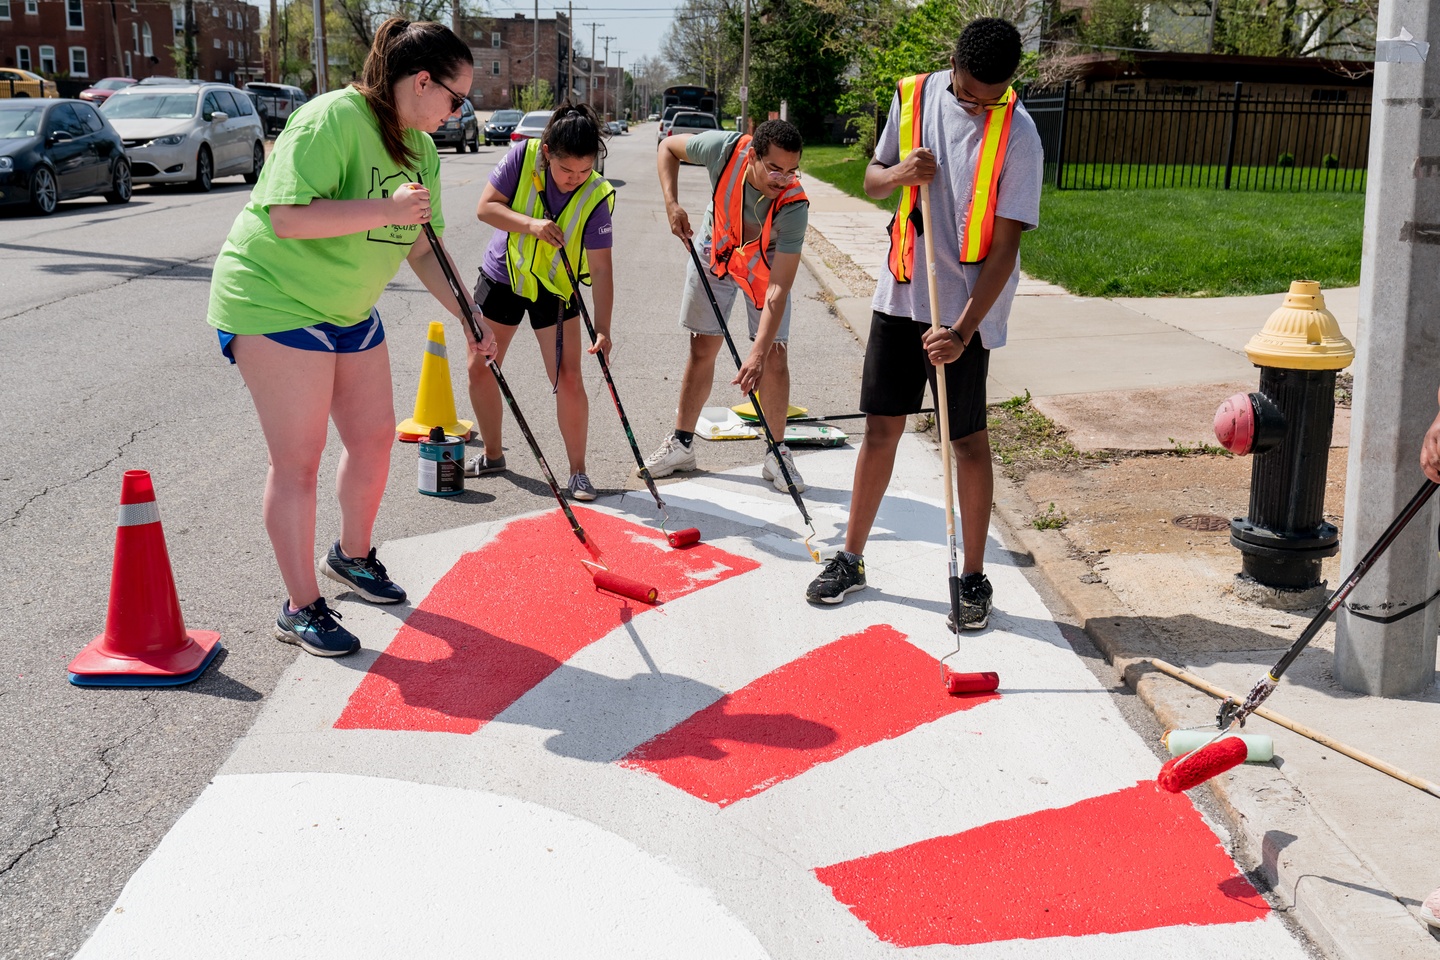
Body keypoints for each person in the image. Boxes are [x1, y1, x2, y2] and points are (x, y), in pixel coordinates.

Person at [207, 18, 495, 657]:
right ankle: (300, 606)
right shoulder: (331, 119)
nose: (457, 111)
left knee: (371, 439)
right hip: (274, 300)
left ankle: (353, 556)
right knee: (299, 461)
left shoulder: (420, 148)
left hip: (348, 307)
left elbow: (425, 248)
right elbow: (285, 217)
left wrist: (471, 317)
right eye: (455, 98)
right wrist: (386, 210)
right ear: (422, 82)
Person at [804, 17, 1042, 631]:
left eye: (991, 99)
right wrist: (901, 174)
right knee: (881, 429)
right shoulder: (912, 98)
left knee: (966, 441)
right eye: (969, 94)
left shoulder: (1020, 133)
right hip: (902, 293)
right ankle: (852, 557)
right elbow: (872, 179)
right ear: (954, 65)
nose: (979, 106)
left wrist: (962, 331)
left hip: (966, 311)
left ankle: (973, 577)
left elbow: (1007, 248)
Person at [643, 118, 811, 493]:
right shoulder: (723, 149)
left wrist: (757, 352)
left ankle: (777, 453)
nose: (782, 179)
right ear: (752, 156)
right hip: (716, 248)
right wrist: (671, 204)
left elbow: (778, 289)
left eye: (791, 171)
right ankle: (682, 445)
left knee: (774, 355)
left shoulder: (794, 206)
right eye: (774, 168)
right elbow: (667, 148)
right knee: (702, 345)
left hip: (763, 264)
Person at [464, 102, 616, 502]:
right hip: (504, 275)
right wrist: (531, 225)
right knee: (481, 366)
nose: (575, 179)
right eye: (567, 171)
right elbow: (485, 208)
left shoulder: (596, 193)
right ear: (548, 152)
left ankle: (578, 472)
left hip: (556, 287)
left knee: (567, 377)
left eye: (585, 171)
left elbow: (601, 269)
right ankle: (493, 455)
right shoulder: (524, 156)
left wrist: (603, 328)